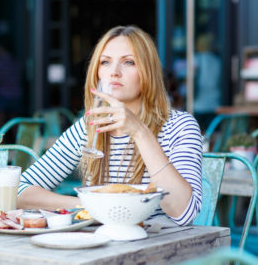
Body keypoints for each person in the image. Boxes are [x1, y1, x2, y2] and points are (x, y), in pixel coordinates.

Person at [17, 26, 203, 226]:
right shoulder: (89, 127)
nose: (114, 72)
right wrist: (92, 206)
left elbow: (184, 212)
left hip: (160, 247)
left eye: (129, 62)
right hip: (103, 245)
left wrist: (139, 132)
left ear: (148, 72)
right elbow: (20, 192)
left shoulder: (179, 126)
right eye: (105, 62)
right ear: (97, 73)